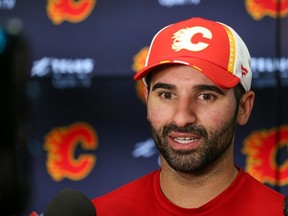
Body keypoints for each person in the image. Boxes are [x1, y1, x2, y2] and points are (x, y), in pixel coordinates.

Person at [92, 17, 285, 215]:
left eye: (206, 96)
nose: (182, 118)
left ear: (243, 107)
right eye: (167, 95)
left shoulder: (276, 212)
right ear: (148, 99)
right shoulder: (101, 212)